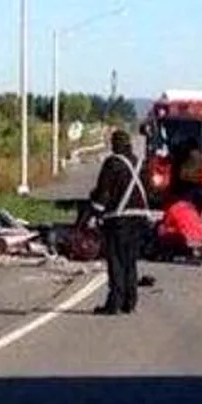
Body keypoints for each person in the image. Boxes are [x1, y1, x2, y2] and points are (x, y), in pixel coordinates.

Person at [84, 129, 153, 316]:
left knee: (116, 261)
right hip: (139, 218)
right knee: (130, 261)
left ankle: (114, 302)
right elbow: (149, 190)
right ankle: (130, 301)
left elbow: (103, 194)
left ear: (115, 144)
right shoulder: (141, 164)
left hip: (118, 218)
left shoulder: (113, 163)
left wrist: (93, 214)